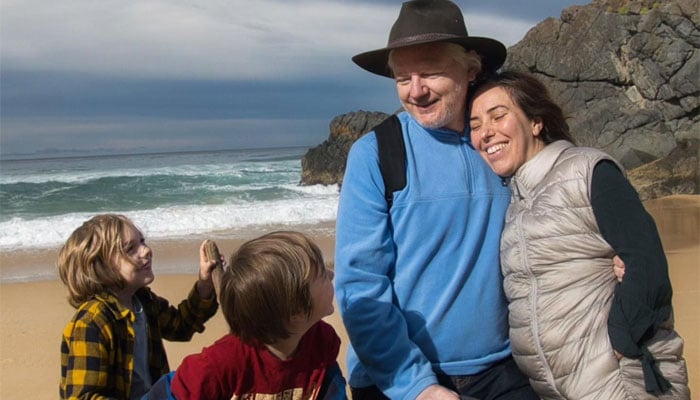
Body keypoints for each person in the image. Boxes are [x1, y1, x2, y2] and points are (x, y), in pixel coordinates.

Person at [334, 1, 540, 399]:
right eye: (402, 77)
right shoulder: (375, 153)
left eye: (429, 71)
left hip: (504, 369)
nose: (416, 90)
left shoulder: (505, 144)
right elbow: (360, 286)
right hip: (393, 379)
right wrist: (418, 387)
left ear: (472, 68)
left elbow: (563, 205)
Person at [468, 70, 690, 399]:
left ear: (536, 122)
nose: (485, 133)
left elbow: (646, 261)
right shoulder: (516, 203)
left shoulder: (587, 170)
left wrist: (621, 342)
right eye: (474, 125)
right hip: (557, 390)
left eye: (498, 116)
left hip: (619, 382)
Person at [168, 231, 346, 400]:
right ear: (296, 312)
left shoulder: (321, 342)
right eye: (322, 274)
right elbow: (173, 391)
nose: (331, 274)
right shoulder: (223, 362)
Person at [58, 214, 219, 399]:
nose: (146, 250)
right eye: (130, 248)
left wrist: (205, 285)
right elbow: (82, 397)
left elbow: (181, 326)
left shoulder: (143, 302)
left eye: (142, 241)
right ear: (100, 266)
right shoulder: (92, 322)